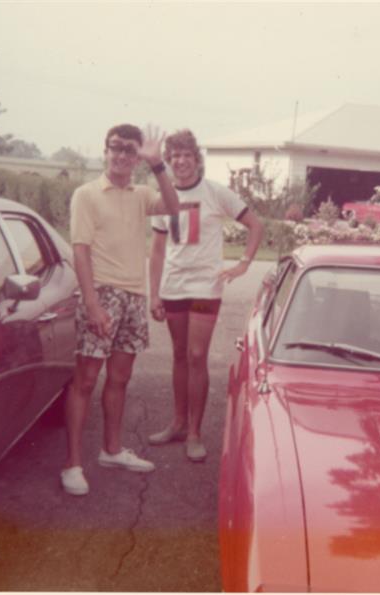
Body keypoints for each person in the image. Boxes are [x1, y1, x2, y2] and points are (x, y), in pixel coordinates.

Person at [61, 123, 179, 496]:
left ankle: (112, 450)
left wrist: (158, 164)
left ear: (137, 158)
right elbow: (80, 250)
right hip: (102, 293)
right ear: (105, 150)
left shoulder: (141, 193)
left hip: (133, 297)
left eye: (131, 151)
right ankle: (73, 464)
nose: (123, 156)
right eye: (117, 148)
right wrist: (92, 304)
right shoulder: (87, 194)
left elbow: (175, 208)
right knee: (85, 380)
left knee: (120, 378)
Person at [148, 129, 263, 462]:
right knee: (179, 355)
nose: (181, 162)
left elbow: (256, 226)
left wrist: (243, 263)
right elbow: (156, 250)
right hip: (173, 287)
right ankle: (178, 423)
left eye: (187, 155)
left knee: (198, 355)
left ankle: (196, 432)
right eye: (175, 157)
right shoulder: (162, 196)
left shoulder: (216, 193)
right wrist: (154, 294)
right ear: (168, 162)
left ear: (197, 160)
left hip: (205, 287)